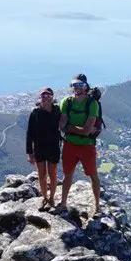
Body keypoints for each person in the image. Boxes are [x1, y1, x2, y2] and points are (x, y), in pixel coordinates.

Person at [56, 73, 101, 215]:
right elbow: (61, 125)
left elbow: (87, 131)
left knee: (93, 175)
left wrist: (71, 128)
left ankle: (97, 205)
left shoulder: (92, 104)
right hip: (70, 145)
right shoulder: (66, 102)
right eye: (74, 85)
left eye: (80, 85)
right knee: (67, 174)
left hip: (87, 146)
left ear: (86, 86)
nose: (77, 88)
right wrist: (79, 130)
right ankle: (63, 203)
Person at [26, 87, 62, 210]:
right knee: (42, 175)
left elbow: (64, 123)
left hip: (53, 147)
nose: (45, 99)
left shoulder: (57, 110)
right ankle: (44, 197)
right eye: (43, 96)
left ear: (52, 98)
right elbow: (29, 133)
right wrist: (29, 153)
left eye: (48, 96)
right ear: (40, 98)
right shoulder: (34, 113)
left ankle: (51, 198)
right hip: (39, 147)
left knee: (53, 174)